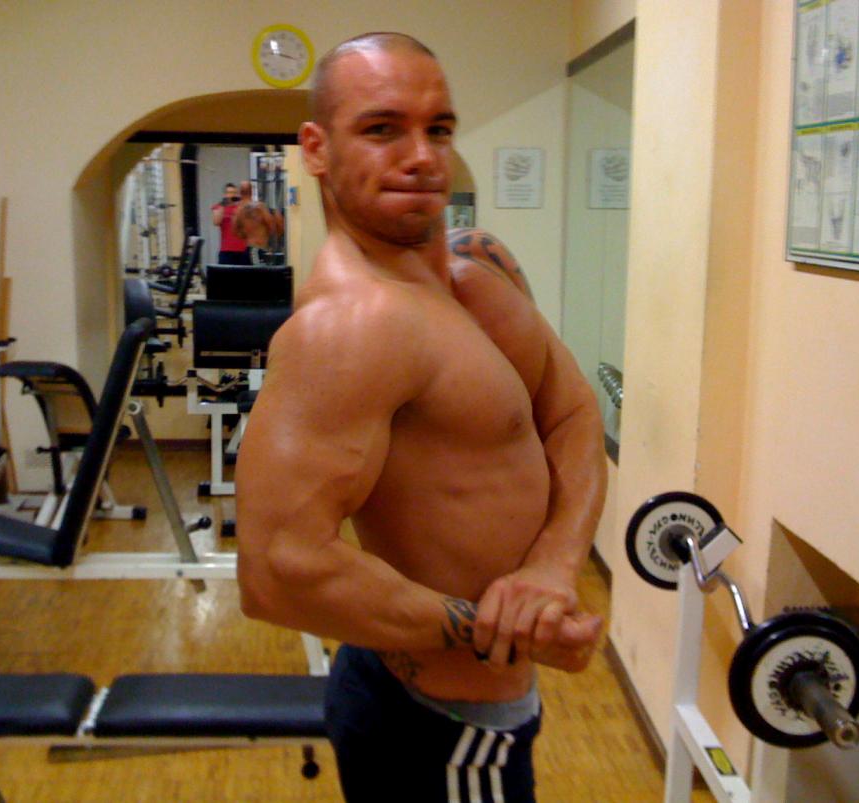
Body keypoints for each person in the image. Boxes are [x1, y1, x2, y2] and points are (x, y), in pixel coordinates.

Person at [235, 32, 607, 802]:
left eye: (438, 129)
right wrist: (496, 627)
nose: (421, 156)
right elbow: (278, 572)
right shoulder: (352, 325)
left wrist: (552, 564)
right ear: (317, 147)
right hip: (439, 728)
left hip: (461, 707)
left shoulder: (480, 271)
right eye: (382, 129)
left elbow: (572, 415)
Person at [211, 181, 251, 265]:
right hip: (226, 250)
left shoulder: (242, 207)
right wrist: (223, 205)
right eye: (229, 193)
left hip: (242, 250)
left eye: (234, 193)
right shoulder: (219, 207)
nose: (231, 195)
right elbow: (216, 222)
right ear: (225, 194)